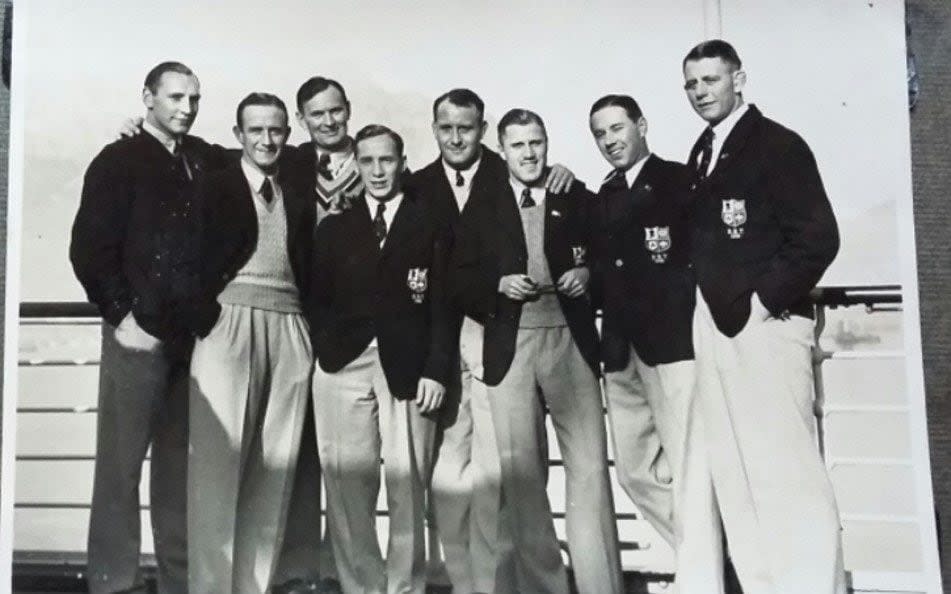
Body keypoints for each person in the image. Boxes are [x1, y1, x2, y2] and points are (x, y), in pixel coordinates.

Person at [682, 39, 845, 594]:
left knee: (788, 474)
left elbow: (819, 238)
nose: (700, 92)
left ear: (739, 79)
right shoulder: (703, 150)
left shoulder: (777, 145)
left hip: (766, 330)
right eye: (692, 84)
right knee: (738, 476)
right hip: (718, 329)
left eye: (710, 80)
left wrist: (763, 303)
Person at [70, 60, 229, 594]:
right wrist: (122, 317)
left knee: (177, 474)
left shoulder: (201, 160)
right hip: (137, 340)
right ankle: (112, 582)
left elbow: (258, 157)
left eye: (195, 99)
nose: (187, 108)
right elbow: (89, 250)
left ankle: (178, 585)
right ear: (148, 98)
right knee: (119, 470)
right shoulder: (117, 161)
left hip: (189, 342)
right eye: (176, 97)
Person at [409, 88, 575, 594]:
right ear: (434, 129)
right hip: (436, 340)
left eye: (467, 128)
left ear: (484, 129)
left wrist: (560, 175)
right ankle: (464, 582)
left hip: (495, 335)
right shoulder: (415, 186)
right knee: (448, 469)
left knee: (498, 471)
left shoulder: (512, 173)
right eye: (446, 128)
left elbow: (549, 193)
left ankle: (497, 584)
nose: (456, 138)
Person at [451, 109, 622, 594]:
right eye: (519, 145)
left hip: (571, 344)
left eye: (537, 143)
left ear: (547, 145)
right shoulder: (482, 207)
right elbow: (458, 281)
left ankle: (600, 587)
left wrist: (589, 278)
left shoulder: (576, 196)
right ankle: (544, 588)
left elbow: (612, 262)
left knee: (589, 472)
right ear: (501, 150)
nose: (529, 154)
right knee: (523, 482)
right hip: (510, 349)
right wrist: (496, 284)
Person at [309, 124, 453, 594]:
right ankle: (361, 587)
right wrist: (329, 348)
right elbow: (317, 299)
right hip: (342, 366)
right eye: (367, 161)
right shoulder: (334, 227)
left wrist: (436, 368)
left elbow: (443, 304)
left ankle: (405, 587)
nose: (376, 171)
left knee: (407, 484)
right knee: (347, 486)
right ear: (356, 164)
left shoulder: (428, 222)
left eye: (385, 161)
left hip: (407, 369)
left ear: (402, 162)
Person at [588, 93, 722, 593]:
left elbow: (702, 254)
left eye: (618, 129)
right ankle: (712, 552)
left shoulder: (676, 181)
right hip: (621, 350)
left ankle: (702, 581)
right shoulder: (603, 194)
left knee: (690, 469)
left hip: (673, 345)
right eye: (600, 134)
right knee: (634, 471)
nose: (610, 141)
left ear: (642, 125)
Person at [184, 92, 315, 594]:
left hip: (289, 327)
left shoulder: (295, 188)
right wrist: (209, 320)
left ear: (287, 133)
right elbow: (185, 257)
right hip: (229, 326)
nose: (267, 139)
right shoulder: (215, 185)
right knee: (218, 469)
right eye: (256, 130)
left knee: (274, 470)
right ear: (238, 135)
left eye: (277, 130)